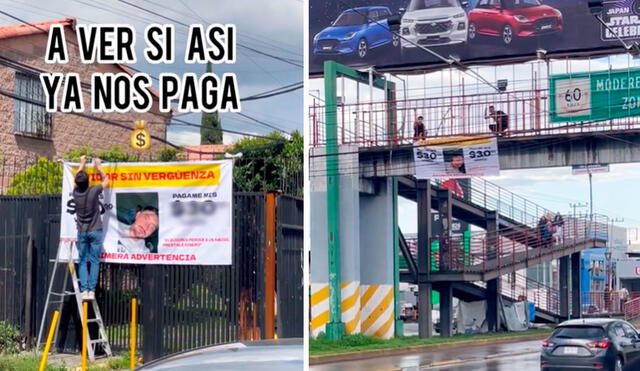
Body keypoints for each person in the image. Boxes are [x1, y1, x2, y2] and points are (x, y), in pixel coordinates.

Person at [73, 156, 109, 301]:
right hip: (95, 230)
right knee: (94, 261)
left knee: (82, 261)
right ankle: (92, 290)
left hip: (82, 231)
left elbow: (76, 179)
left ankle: (84, 290)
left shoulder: (75, 193)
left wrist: (81, 164)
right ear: (88, 182)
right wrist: (99, 167)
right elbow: (106, 181)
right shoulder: (93, 191)